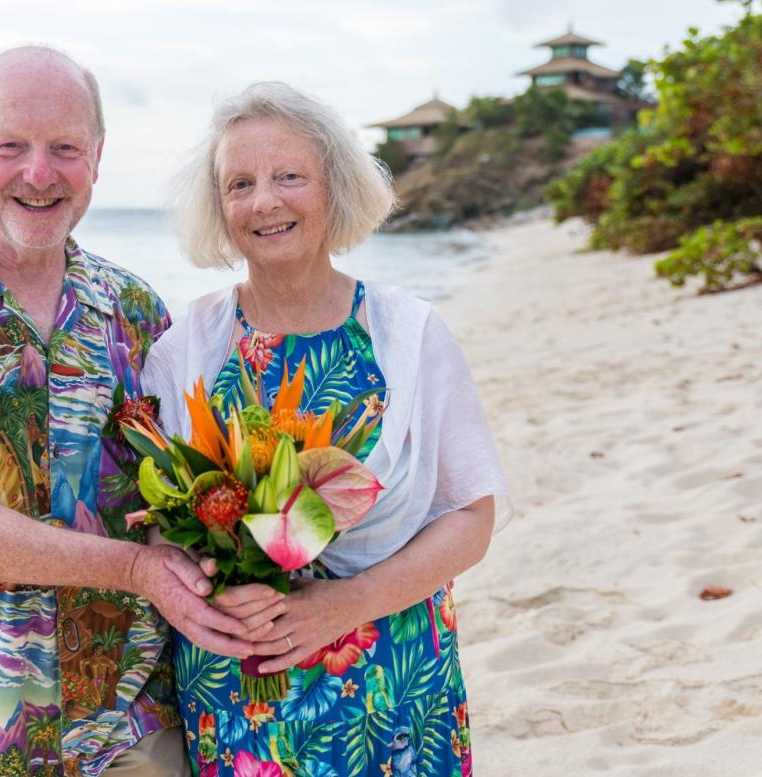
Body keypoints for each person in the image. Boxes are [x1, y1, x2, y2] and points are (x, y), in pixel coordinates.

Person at [0, 46, 257, 777]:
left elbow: (183, 500)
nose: (38, 173)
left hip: (134, 730)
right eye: (11, 146)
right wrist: (138, 570)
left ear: (97, 158)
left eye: (64, 148)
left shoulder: (134, 310)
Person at [141, 82, 513, 777]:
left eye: (290, 176)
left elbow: (472, 514)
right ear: (218, 209)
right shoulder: (185, 347)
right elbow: (161, 521)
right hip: (242, 686)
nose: (265, 201)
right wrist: (214, 582)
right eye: (240, 183)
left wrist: (344, 603)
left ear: (334, 188)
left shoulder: (411, 334)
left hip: (395, 676)